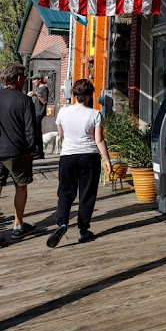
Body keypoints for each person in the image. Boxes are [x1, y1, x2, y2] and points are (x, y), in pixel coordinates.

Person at [46, 79, 113, 247]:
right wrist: (107, 161)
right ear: (90, 96)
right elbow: (99, 140)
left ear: (74, 95)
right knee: (87, 194)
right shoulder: (95, 114)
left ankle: (62, 222)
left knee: (65, 192)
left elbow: (61, 135)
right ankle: (84, 231)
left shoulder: (63, 112)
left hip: (68, 156)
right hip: (89, 157)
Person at [0, 63, 37, 244]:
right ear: (19, 79)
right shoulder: (24, 100)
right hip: (17, 151)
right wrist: (31, 150)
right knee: (20, 187)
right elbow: (31, 130)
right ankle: (17, 225)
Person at [28, 72, 48, 159]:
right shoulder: (40, 89)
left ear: (39, 79)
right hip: (37, 112)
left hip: (39, 113)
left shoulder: (43, 88)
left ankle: (37, 152)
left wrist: (36, 95)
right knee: (38, 132)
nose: (33, 82)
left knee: (35, 132)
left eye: (34, 80)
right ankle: (40, 153)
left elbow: (44, 101)